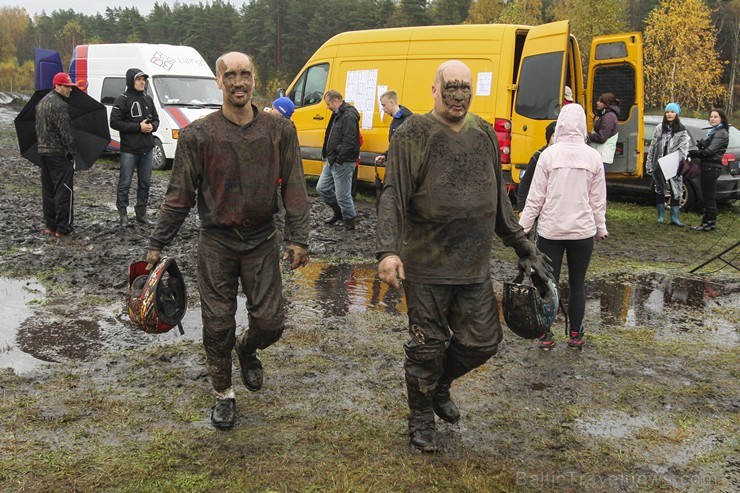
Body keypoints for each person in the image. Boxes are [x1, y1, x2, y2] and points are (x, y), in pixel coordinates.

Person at [376, 60, 552, 453]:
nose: (458, 96)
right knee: (427, 346)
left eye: (465, 88)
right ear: (434, 90)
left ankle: (439, 384)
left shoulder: (484, 133)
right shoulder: (413, 133)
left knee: (483, 341)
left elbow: (499, 198)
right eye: (450, 88)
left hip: (473, 266)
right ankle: (420, 419)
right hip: (426, 265)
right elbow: (393, 195)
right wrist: (388, 250)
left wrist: (524, 246)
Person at [145, 52, 311, 430]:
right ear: (218, 82)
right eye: (230, 75)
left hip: (262, 239)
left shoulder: (279, 131)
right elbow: (179, 195)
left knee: (270, 323)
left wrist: (299, 237)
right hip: (216, 242)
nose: (239, 82)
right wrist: (157, 243)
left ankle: (248, 349)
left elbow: (297, 189)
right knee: (217, 325)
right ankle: (223, 394)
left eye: (245, 74)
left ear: (255, 79)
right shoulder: (198, 135)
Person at [519, 103, 608, 351]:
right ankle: (575, 334)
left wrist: (523, 227)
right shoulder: (593, 157)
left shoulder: (548, 155)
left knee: (548, 282)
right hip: (582, 232)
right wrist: (600, 227)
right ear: (582, 126)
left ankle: (546, 332)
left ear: (560, 126)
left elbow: (536, 197)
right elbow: (597, 199)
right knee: (578, 282)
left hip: (551, 231)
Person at [110, 68, 160, 227]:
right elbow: (115, 122)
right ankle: (123, 215)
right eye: (139, 79)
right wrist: (137, 127)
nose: (142, 82)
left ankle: (141, 214)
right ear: (131, 81)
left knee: (145, 183)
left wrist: (152, 126)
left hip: (147, 148)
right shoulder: (122, 99)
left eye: (144, 80)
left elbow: (156, 119)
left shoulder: (148, 99)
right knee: (125, 182)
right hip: (129, 150)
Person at [35, 72, 77, 238]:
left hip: (43, 152)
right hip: (59, 154)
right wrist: (72, 152)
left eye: (70, 87)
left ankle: (50, 225)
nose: (70, 90)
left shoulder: (41, 102)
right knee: (63, 190)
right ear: (57, 86)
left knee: (48, 190)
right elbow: (66, 133)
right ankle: (63, 228)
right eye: (67, 86)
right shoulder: (61, 105)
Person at [318, 89, 360, 230]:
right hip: (332, 159)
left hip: (343, 162)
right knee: (322, 188)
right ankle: (339, 213)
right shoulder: (337, 114)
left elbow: (351, 140)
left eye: (328, 103)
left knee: (343, 196)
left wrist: (340, 159)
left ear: (336, 101)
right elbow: (331, 134)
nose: (327, 106)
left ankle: (349, 221)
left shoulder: (348, 116)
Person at [645, 102, 689, 227]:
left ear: (677, 114)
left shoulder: (681, 130)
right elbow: (653, 146)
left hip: (674, 164)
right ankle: (661, 216)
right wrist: (650, 163)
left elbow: (683, 149)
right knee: (659, 189)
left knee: (676, 190)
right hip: (659, 163)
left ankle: (674, 217)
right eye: (668, 112)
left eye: (672, 112)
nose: (669, 114)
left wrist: (677, 161)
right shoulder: (659, 128)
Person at [688, 108, 730, 231]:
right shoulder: (714, 131)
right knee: (708, 195)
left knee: (709, 196)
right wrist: (702, 145)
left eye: (715, 117)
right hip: (708, 166)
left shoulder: (721, 133)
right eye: (711, 116)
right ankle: (708, 223)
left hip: (712, 167)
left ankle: (709, 223)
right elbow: (708, 148)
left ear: (721, 119)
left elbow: (710, 151)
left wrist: (696, 152)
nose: (712, 119)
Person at [269, 96, 296, 244]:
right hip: (277, 176)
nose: (270, 110)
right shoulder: (280, 126)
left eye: (273, 108)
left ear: (280, 111)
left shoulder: (283, 130)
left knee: (279, 211)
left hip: (278, 177)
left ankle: (279, 240)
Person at [517, 121, 557, 212]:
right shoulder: (538, 156)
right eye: (554, 136)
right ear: (548, 137)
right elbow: (525, 183)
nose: (556, 139)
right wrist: (521, 209)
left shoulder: (563, 157)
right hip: (539, 209)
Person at [374, 90, 413, 167]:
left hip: (404, 166)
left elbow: (410, 147)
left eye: (384, 105)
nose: (383, 108)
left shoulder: (408, 120)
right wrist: (385, 156)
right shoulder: (395, 120)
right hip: (396, 163)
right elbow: (395, 146)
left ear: (391, 103)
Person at [588, 92, 620, 166]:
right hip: (601, 155)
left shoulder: (608, 117)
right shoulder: (607, 115)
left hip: (602, 156)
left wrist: (587, 135)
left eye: (600, 101)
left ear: (606, 104)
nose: (597, 103)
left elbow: (601, 138)